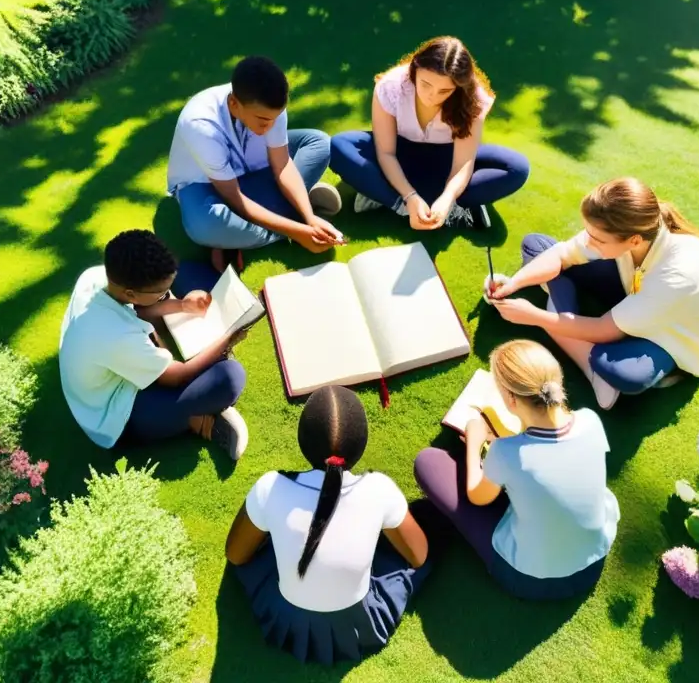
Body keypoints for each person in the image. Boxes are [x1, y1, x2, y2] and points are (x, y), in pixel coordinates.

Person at [225, 385, 433, 665]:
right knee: (421, 527)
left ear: (303, 442)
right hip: (357, 622)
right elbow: (418, 556)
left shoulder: (270, 488)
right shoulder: (379, 490)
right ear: (361, 445)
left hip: (287, 616)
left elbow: (236, 555)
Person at [487, 177, 699, 410]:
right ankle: (586, 361)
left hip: (675, 335)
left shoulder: (678, 273)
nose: (588, 242)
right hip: (635, 291)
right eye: (589, 233)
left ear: (634, 241)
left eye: (598, 240)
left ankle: (566, 326)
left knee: (626, 375)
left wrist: (536, 317)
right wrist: (514, 284)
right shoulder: (633, 235)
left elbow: (603, 331)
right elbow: (561, 255)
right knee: (538, 246)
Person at [414, 340, 619, 600]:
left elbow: (478, 496)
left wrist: (474, 445)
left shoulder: (506, 452)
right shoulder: (590, 420)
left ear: (511, 399)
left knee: (428, 462)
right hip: (593, 561)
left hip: (530, 580)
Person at [59, 229, 249, 458]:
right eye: (160, 293)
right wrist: (228, 338)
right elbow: (177, 376)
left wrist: (181, 306)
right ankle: (197, 421)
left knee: (187, 273)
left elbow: (137, 309)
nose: (165, 295)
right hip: (115, 416)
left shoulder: (95, 277)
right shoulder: (115, 336)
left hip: (109, 371)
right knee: (230, 377)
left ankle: (194, 414)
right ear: (130, 292)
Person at [330, 36, 529, 230]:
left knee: (516, 168)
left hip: (446, 161)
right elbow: (386, 152)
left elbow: (462, 164)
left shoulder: (473, 98)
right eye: (426, 84)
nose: (432, 96)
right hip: (400, 154)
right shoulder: (391, 86)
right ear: (415, 69)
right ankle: (400, 203)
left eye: (445, 91)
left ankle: (404, 196)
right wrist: (409, 198)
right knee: (339, 145)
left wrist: (447, 198)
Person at [166, 56, 345, 271]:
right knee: (205, 227)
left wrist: (309, 217)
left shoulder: (269, 105)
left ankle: (240, 236)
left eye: (275, 119)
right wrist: (297, 232)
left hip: (253, 175)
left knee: (318, 143)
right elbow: (233, 196)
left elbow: (282, 164)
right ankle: (276, 218)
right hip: (208, 188)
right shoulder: (200, 126)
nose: (270, 127)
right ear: (234, 103)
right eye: (263, 121)